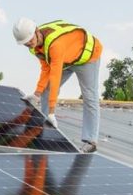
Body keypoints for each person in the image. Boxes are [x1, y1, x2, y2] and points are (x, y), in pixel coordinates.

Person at [13, 18, 103, 153]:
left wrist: (52, 112)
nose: (29, 45)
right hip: (66, 58)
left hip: (87, 57)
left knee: (89, 96)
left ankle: (91, 141)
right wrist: (37, 93)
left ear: (37, 31)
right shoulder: (34, 47)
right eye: (25, 44)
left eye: (30, 40)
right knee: (46, 90)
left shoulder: (55, 45)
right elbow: (45, 69)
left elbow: (54, 77)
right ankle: (41, 131)